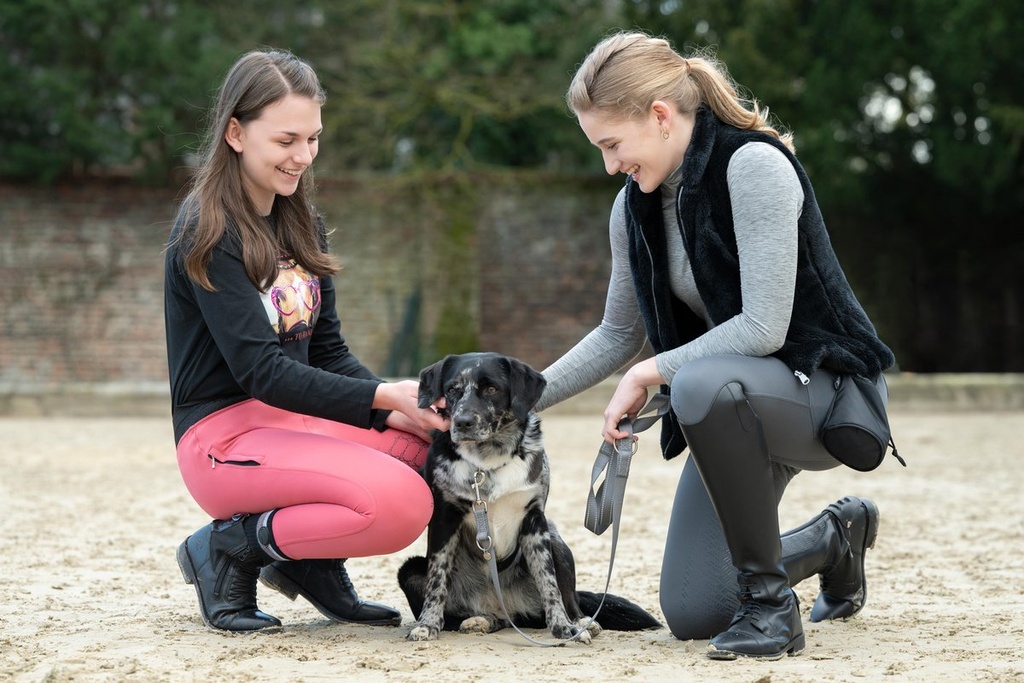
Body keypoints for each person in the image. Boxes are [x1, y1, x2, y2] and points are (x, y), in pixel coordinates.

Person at [534, 32, 896, 660]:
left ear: (660, 115)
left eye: (612, 145)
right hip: (729, 408)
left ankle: (772, 611)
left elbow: (763, 328)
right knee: (697, 609)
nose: (610, 165)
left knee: (697, 381)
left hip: (819, 393)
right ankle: (834, 539)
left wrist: (648, 373)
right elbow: (617, 333)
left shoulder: (752, 166)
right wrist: (511, 404)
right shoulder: (632, 208)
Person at [163, 49, 448, 632]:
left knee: (435, 454)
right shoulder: (207, 230)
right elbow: (262, 373)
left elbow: (327, 354)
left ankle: (310, 562)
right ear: (236, 134)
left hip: (296, 422)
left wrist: (395, 410)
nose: (303, 156)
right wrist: (382, 398)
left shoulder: (301, 221)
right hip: (223, 438)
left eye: (313, 138)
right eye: (286, 140)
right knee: (400, 503)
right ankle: (228, 547)